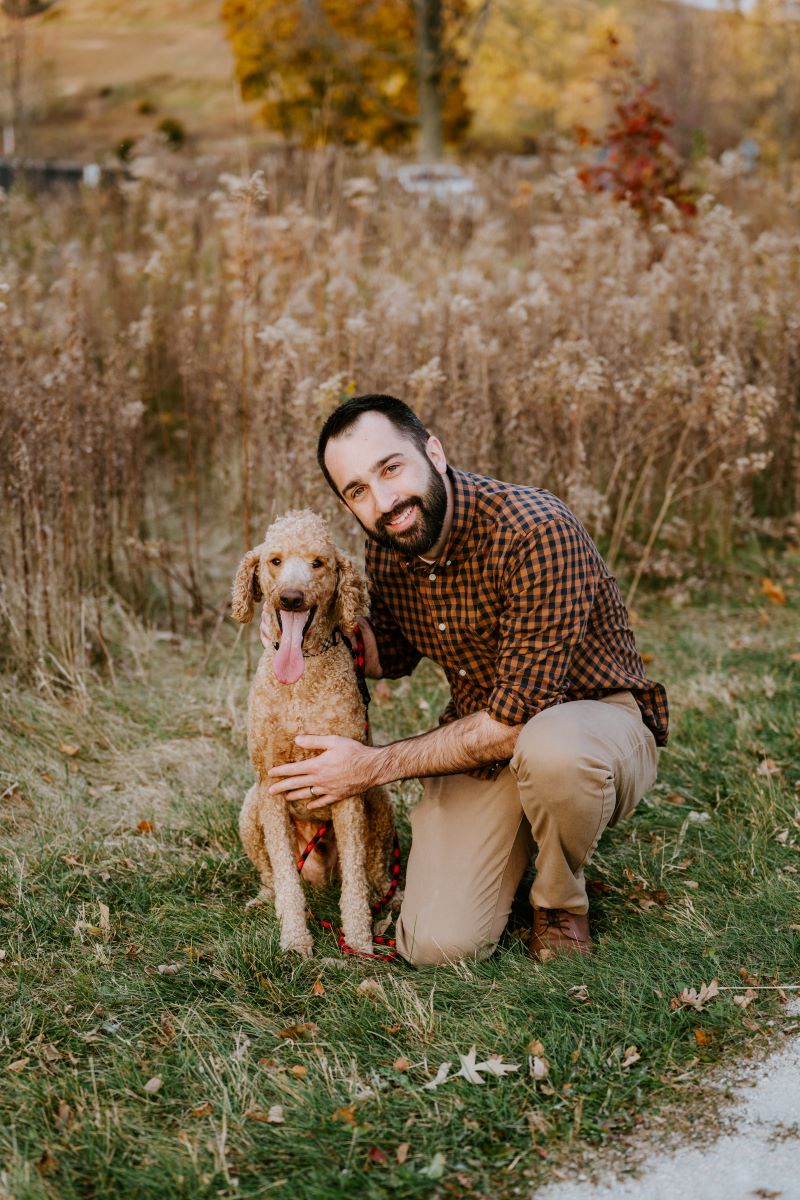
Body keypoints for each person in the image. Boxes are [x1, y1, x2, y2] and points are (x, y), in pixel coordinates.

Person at [263, 394, 668, 967]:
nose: (383, 501)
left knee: (552, 750)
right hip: (482, 743)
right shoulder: (391, 547)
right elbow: (393, 651)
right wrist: (306, 628)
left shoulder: (535, 531)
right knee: (437, 945)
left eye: (390, 468)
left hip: (590, 723)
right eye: (357, 491)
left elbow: (516, 722)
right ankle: (526, 828)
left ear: (434, 450)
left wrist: (371, 765)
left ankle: (558, 897)